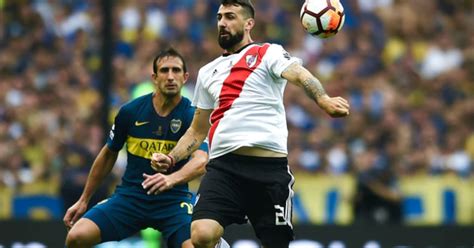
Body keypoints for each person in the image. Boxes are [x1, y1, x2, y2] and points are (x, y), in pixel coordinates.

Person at [151, 1, 350, 247]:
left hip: (269, 169)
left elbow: (299, 74)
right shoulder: (207, 72)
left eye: (230, 17)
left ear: (249, 24)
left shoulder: (269, 53)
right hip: (224, 168)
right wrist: (171, 158)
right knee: (201, 234)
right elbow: (197, 130)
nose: (222, 22)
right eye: (220, 17)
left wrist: (323, 99)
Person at [63, 48, 212, 248]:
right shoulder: (130, 111)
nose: (170, 77)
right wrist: (83, 199)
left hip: (173, 201)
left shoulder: (192, 116)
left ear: (185, 77)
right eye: (164, 71)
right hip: (131, 197)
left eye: (176, 71)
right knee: (77, 237)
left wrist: (169, 180)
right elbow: (109, 153)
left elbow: (201, 161)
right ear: (154, 77)